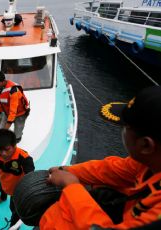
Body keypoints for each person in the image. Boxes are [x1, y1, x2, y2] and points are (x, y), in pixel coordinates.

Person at [40, 86, 161, 229]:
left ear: (146, 145)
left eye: (125, 127)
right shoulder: (149, 163)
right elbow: (109, 170)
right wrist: (66, 170)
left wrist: (72, 186)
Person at [0, 71, 30, 143]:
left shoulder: (13, 91)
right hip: (7, 113)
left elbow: (13, 111)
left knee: (17, 132)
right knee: (1, 130)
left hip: (20, 114)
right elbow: (1, 102)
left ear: (3, 81)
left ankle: (17, 139)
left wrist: (7, 127)